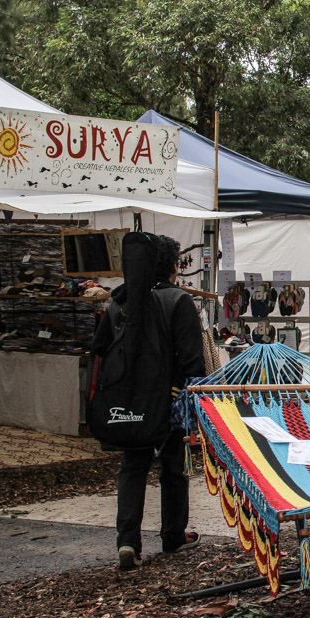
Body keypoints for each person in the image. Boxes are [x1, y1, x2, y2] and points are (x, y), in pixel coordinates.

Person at [92, 234, 206, 570]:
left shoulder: (122, 301)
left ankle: (128, 541)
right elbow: (192, 361)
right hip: (166, 401)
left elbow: (100, 347)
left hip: (127, 400)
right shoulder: (178, 301)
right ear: (173, 266)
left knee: (133, 467)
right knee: (172, 467)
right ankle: (173, 535)